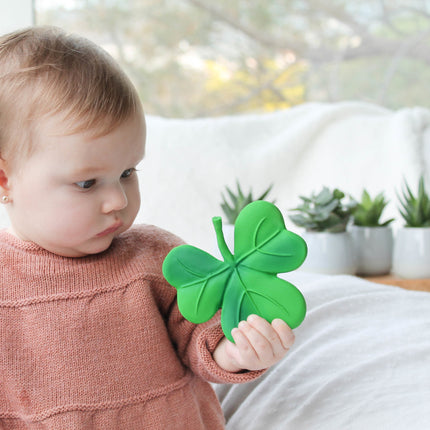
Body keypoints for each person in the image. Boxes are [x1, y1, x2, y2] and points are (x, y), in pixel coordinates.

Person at [0, 26, 295, 429]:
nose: (118, 200)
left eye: (127, 172)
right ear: (5, 181)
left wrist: (238, 352)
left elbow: (201, 335)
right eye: (87, 183)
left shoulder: (155, 258)